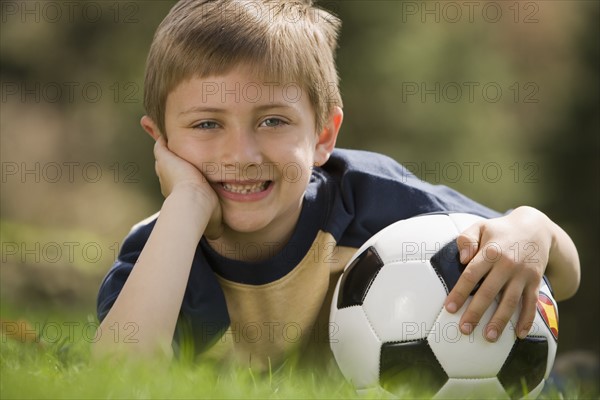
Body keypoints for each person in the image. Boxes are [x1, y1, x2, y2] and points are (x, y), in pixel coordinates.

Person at [93, 0, 580, 370]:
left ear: (323, 135)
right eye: (205, 125)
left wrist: (531, 227)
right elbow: (117, 375)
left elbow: (565, 274)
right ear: (160, 143)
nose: (240, 154)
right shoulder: (161, 254)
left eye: (272, 121)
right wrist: (187, 203)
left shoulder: (374, 200)